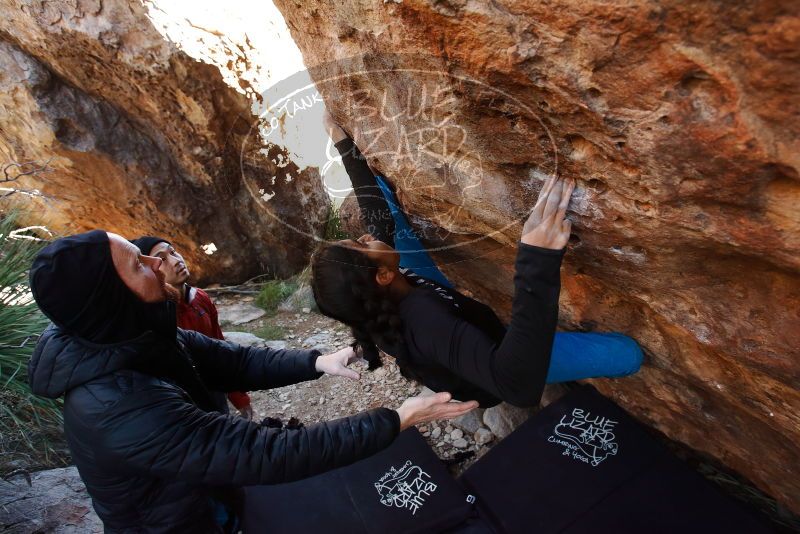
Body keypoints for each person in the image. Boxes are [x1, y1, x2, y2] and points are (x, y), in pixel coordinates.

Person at [27, 230, 477, 533]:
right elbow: (263, 453)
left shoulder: (132, 332)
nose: (156, 264)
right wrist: (396, 419)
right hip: (180, 522)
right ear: (110, 298)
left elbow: (230, 361)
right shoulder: (116, 405)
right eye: (139, 265)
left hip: (206, 491)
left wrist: (317, 361)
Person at [311, 113, 643, 409]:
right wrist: (536, 260)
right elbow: (516, 386)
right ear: (382, 276)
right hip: (501, 357)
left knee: (384, 199)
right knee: (627, 355)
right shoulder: (427, 322)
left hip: (425, 295)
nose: (367, 236)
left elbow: (378, 222)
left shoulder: (382, 294)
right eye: (361, 244)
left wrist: (342, 144)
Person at [131, 235, 253, 419]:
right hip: (180, 402)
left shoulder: (200, 298)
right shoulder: (151, 315)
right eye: (162, 258)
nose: (175, 260)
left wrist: (240, 398)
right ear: (149, 269)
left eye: (173, 252)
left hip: (214, 390)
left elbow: (220, 349)